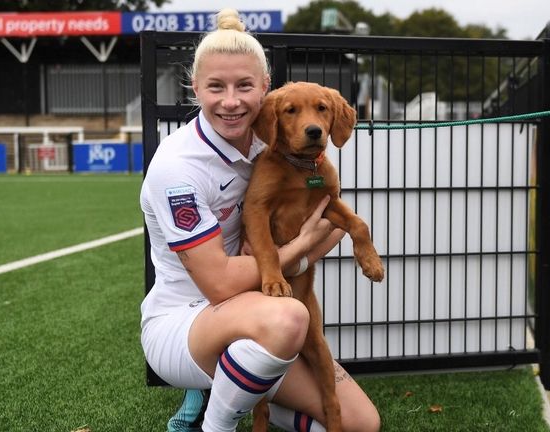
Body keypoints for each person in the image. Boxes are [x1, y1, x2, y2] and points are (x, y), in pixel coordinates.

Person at [139, 9, 380, 432]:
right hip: (188, 320)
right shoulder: (178, 167)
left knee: (362, 424)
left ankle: (238, 387)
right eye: (216, 87)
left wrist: (311, 246)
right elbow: (220, 285)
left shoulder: (274, 140)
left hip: (256, 312)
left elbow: (327, 226)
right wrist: (300, 248)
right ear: (195, 88)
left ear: (265, 89)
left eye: (244, 86)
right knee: (289, 318)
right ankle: (215, 423)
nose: (231, 101)